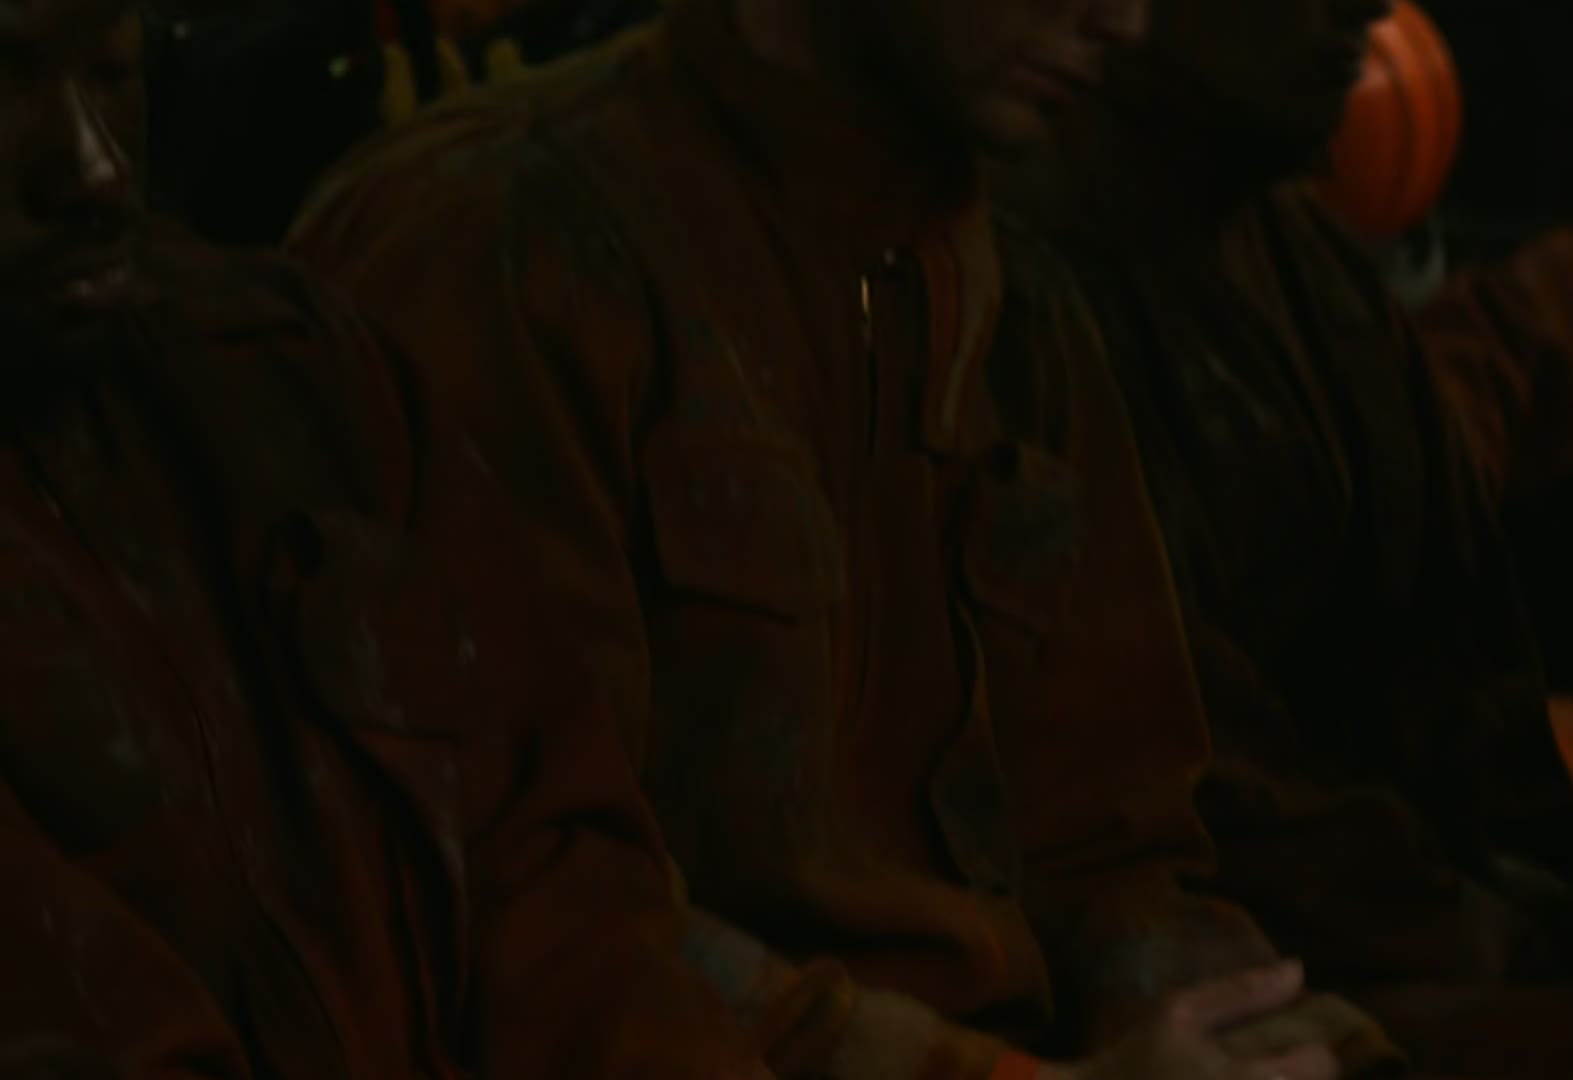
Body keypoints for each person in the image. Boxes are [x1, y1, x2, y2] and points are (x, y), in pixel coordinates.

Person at [286, 0, 1366, 1077]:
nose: (1127, 21)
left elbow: (1117, 842)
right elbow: (523, 913)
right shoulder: (501, 243)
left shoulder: (1008, 295)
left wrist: (1244, 1031)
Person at [990, 0, 1573, 1073]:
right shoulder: (1030, 300)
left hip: (1478, 919)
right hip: (1310, 969)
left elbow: (1465, 681)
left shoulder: (1298, 263)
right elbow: (1176, 797)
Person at [0, 0, 762, 1073]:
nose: (92, 169)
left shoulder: (292, 369)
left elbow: (561, 873)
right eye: (4, 85)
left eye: (113, 72)